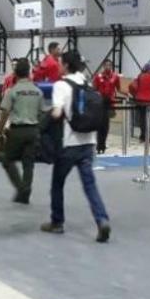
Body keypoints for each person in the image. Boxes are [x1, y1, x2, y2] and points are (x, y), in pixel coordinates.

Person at [42, 50, 111, 243]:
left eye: (60, 62)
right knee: (90, 185)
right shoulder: (87, 83)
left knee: (58, 183)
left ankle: (57, 222)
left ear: (65, 65)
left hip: (69, 143)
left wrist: (47, 116)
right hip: (88, 142)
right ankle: (102, 219)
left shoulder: (61, 85)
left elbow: (56, 113)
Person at [0, 59, 42, 204]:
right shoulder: (38, 91)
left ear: (15, 73)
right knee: (28, 163)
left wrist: (0, 130)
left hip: (17, 130)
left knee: (7, 159)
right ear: (29, 72)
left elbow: (5, 112)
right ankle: (26, 190)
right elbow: (41, 112)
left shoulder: (12, 91)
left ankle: (21, 187)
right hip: (33, 130)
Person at [91, 59, 121, 154]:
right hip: (100, 102)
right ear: (103, 66)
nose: (108, 67)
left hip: (110, 103)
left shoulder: (115, 76)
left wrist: (127, 94)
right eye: (106, 65)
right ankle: (99, 144)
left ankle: (103, 144)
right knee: (99, 124)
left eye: (109, 65)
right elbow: (94, 89)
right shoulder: (98, 76)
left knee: (106, 124)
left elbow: (118, 89)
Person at [128, 63, 150, 142]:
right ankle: (145, 135)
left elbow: (132, 86)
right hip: (148, 101)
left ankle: (143, 135)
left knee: (142, 118)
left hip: (139, 100)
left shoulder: (140, 76)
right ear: (149, 70)